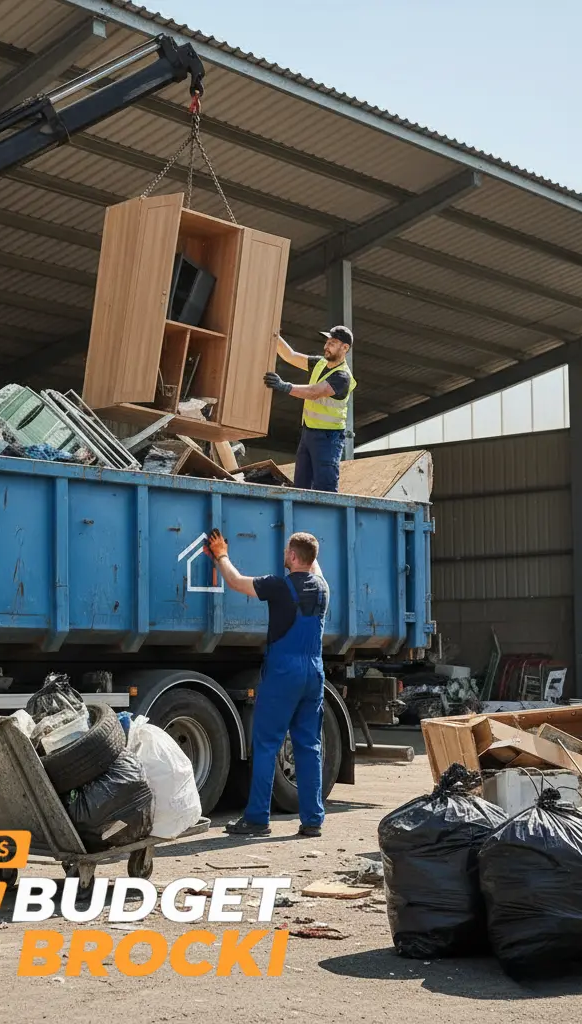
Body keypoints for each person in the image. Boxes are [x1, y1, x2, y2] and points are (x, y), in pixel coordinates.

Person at [205, 527, 328, 838]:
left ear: (293, 556)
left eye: (287, 551)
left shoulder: (278, 586)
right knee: (309, 746)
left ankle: (258, 819)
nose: (284, 554)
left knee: (266, 745)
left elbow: (236, 581)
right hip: (314, 673)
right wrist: (309, 550)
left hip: (283, 674)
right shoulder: (323, 588)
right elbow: (313, 563)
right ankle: (312, 820)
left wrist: (221, 555)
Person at [263, 326, 357, 493]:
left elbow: (314, 392)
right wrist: (273, 333)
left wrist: (284, 386)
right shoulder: (320, 363)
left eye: (332, 343)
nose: (326, 346)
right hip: (308, 433)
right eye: (327, 342)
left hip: (328, 438)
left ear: (345, 348)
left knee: (324, 488)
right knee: (301, 485)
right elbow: (290, 355)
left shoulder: (342, 377)